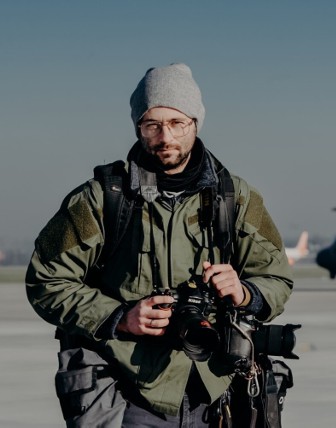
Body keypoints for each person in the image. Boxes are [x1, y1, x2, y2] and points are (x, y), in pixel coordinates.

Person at [25, 63, 293, 427]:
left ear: (196, 122)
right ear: (139, 127)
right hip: (128, 392)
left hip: (215, 390)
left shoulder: (237, 198)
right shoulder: (102, 199)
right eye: (152, 125)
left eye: (177, 123)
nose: (165, 136)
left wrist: (245, 293)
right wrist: (119, 318)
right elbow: (46, 280)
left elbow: (277, 279)